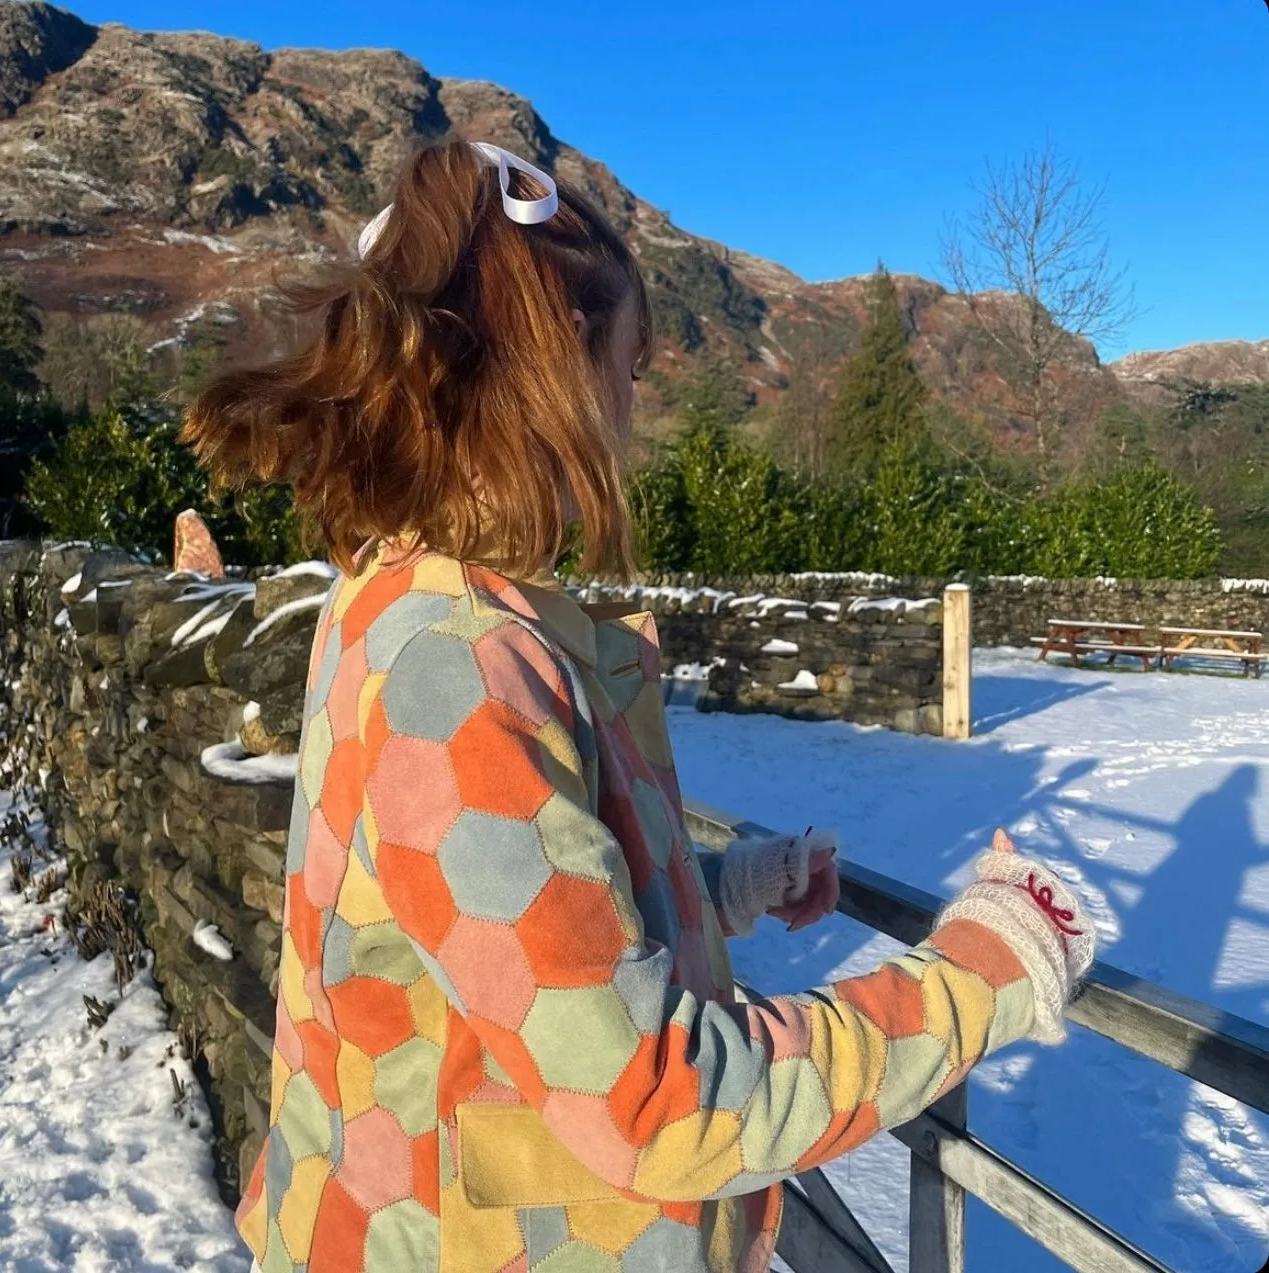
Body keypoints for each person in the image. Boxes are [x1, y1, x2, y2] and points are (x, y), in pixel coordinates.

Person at [183, 139, 1096, 1273]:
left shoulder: (406, 595)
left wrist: (717, 889)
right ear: (550, 371)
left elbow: (513, 940)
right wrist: (981, 973)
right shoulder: (455, 667)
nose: (629, 401)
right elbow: (658, 1101)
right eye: (628, 362)